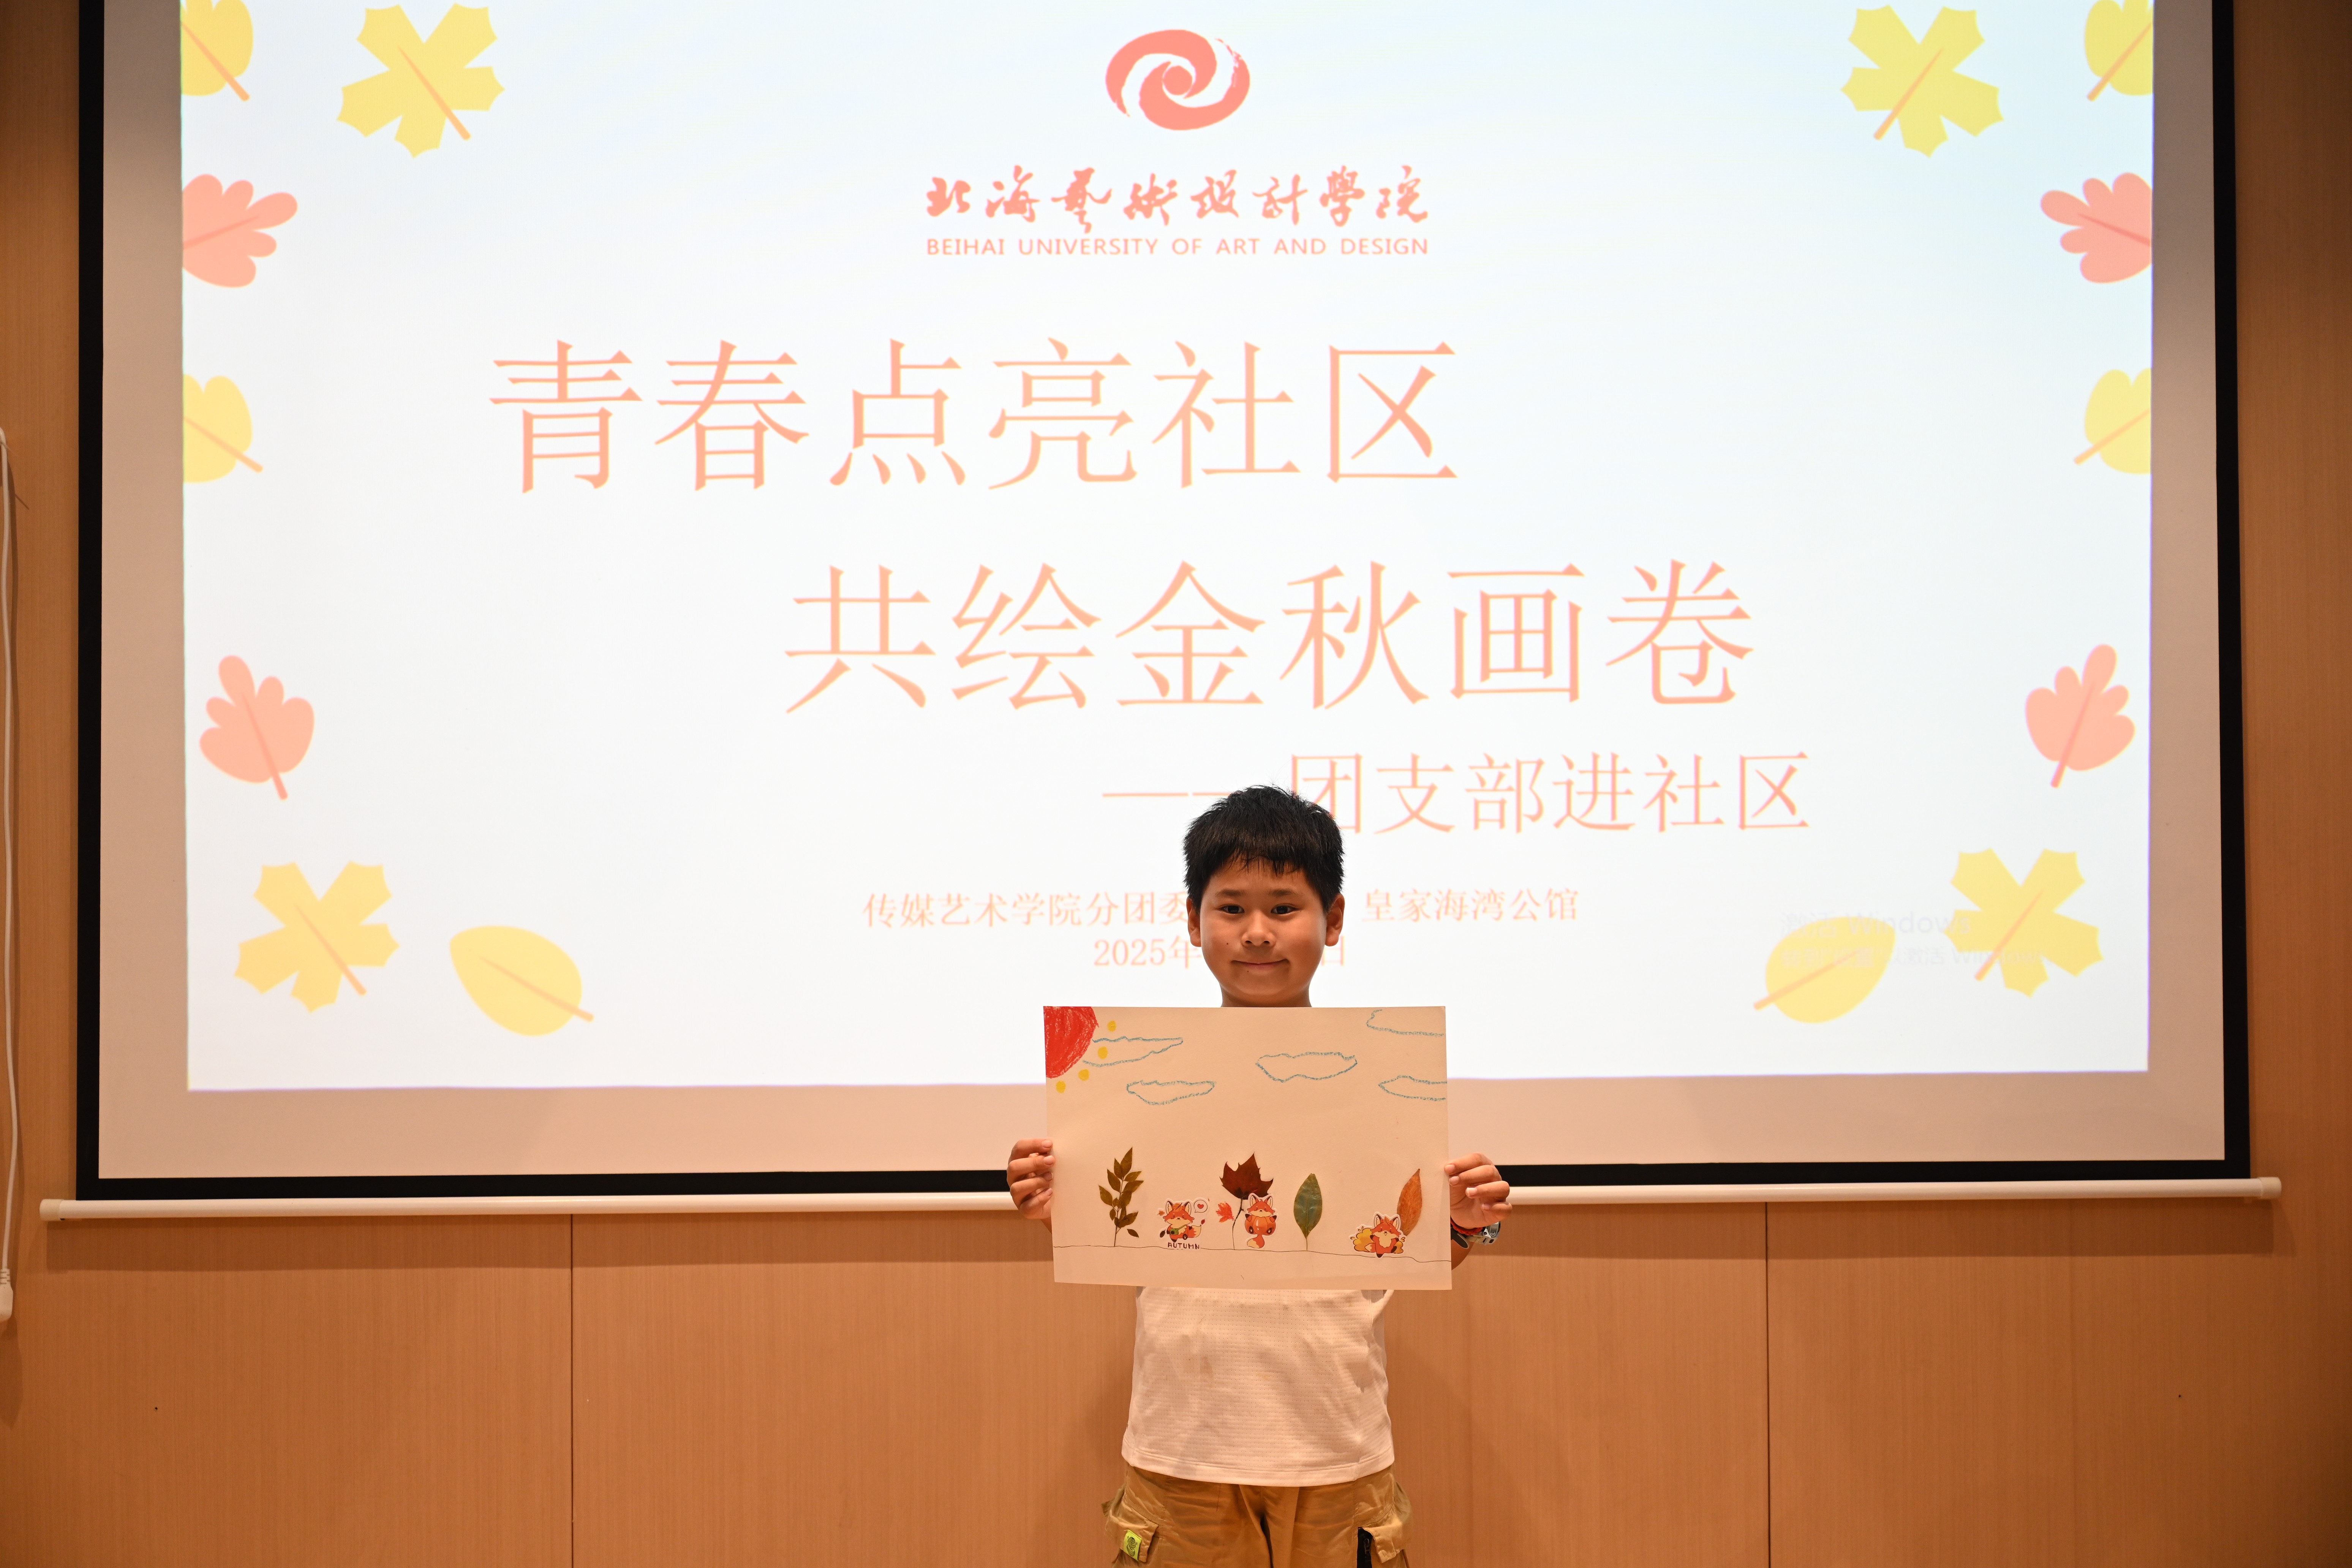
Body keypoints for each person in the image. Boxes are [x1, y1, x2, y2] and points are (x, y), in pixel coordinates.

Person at [1007, 786, 1512, 1568]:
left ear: (1333, 919)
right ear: (1192, 921)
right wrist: (1059, 1202)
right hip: (1183, 1449)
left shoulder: (1380, 1081)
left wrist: (1465, 1223)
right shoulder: (1130, 1087)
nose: (1256, 932)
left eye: (1284, 908)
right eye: (1231, 908)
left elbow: (1400, 1257)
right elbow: (1119, 1228)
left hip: (1337, 1448)